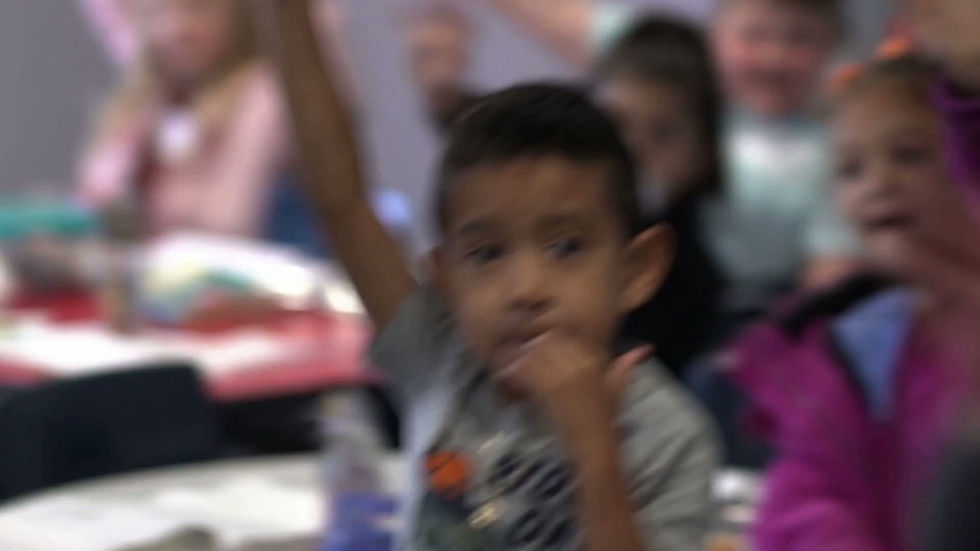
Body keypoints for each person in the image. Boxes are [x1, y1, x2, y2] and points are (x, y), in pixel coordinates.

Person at [259, 1, 719, 550]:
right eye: (486, 254)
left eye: (566, 247)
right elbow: (341, 200)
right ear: (448, 281)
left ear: (636, 269)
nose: (526, 289)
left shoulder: (668, 437)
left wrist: (596, 454)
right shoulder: (440, 357)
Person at [475, 0, 863, 329]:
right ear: (716, 33)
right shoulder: (674, 64)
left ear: (834, 45)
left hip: (739, 314)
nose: (772, 58)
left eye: (799, 38)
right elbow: (565, 19)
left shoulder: (838, 150)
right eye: (754, 35)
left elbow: (827, 284)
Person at [726, 51, 980, 551]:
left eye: (909, 155)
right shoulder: (851, 345)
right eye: (850, 169)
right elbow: (808, 492)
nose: (878, 183)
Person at [409, 8, 726, 371]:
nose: (632, 149)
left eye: (663, 134)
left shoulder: (697, 282)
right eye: (617, 122)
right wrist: (446, 96)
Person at [77, 0, 288, 238]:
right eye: (156, 11)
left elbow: (228, 223)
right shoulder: (148, 103)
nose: (176, 28)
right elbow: (93, 196)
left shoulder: (264, 92)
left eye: (198, 7)